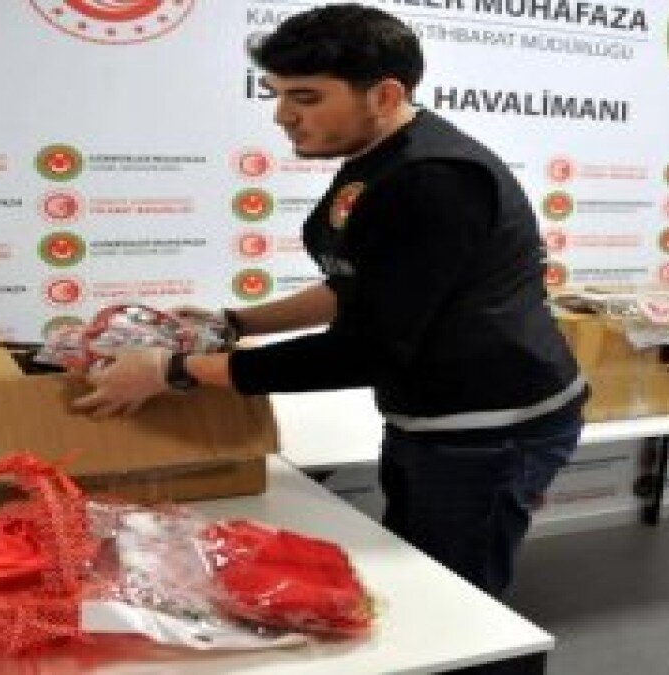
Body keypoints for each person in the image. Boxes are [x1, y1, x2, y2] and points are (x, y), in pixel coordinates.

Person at [74, 2, 587, 602]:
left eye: (306, 97)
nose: (282, 116)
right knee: (426, 573)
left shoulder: (435, 182)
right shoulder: (377, 161)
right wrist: (236, 321)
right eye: (277, 95)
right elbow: (358, 286)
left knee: (461, 600)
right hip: (435, 418)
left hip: (492, 430)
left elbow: (365, 350)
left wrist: (174, 371)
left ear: (384, 95)